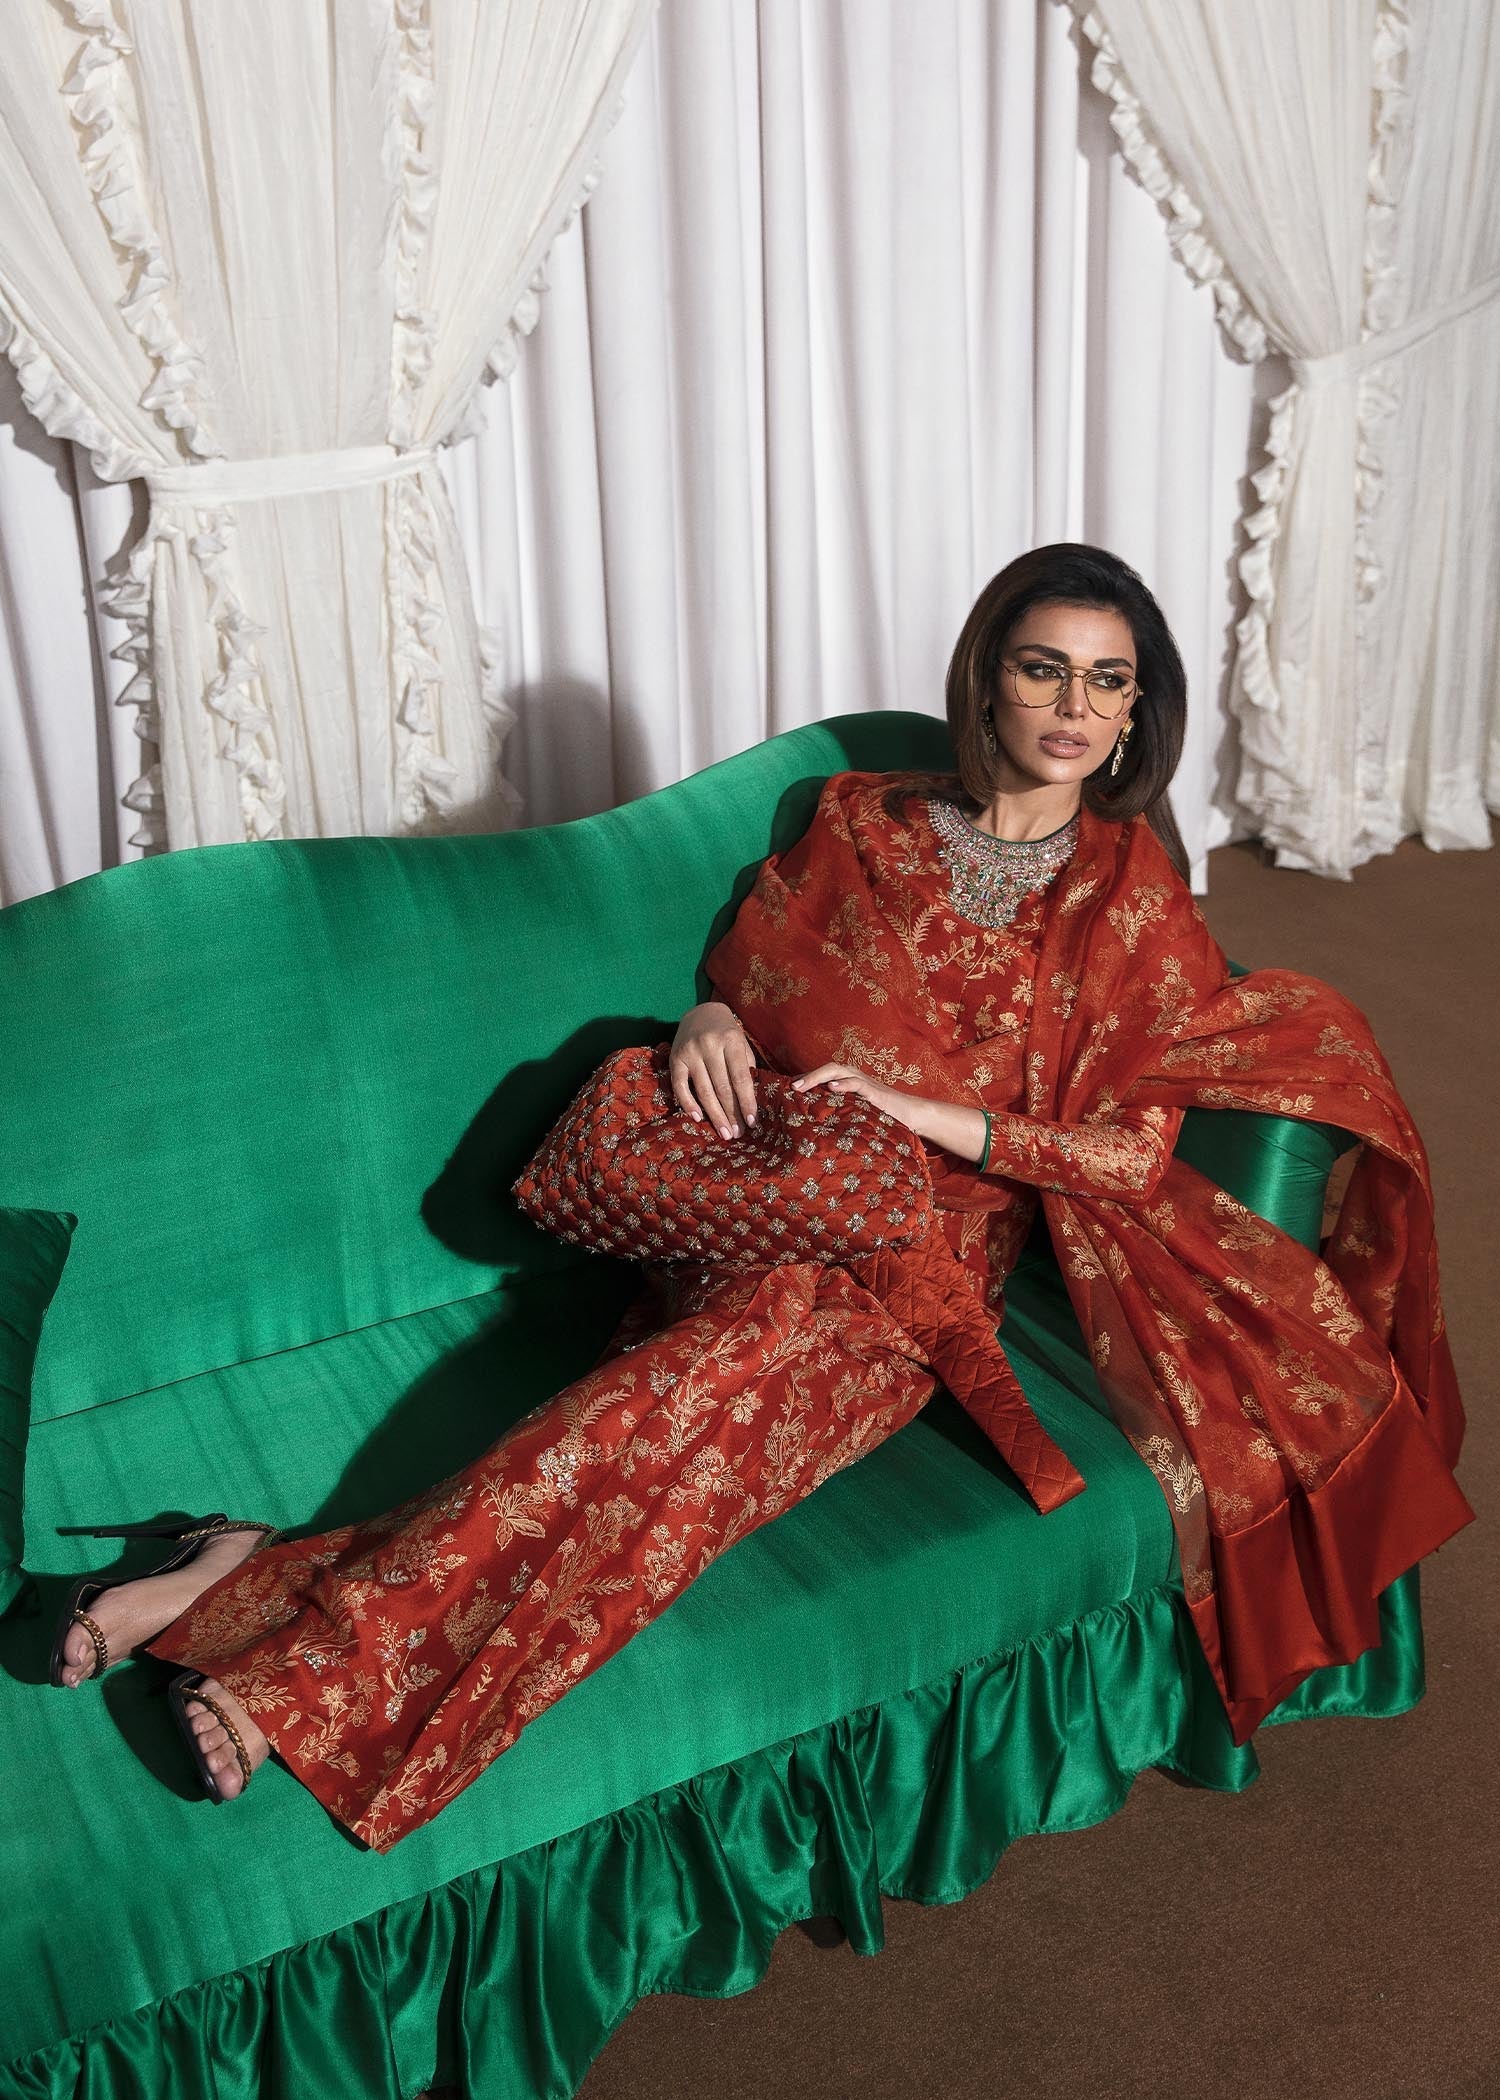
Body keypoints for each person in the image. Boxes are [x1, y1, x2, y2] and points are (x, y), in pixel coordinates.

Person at [51, 544, 1472, 1850]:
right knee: (678, 1415)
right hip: (757, 1198)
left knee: (661, 1448)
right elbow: (759, 980)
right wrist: (706, 1024)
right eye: (1046, 667)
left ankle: (267, 1628)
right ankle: (253, 1611)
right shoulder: (864, 820)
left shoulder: (1130, 897)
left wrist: (927, 1114)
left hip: (908, 1277)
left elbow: (1128, 1154)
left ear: (1136, 710)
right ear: (989, 675)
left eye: (1110, 681)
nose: (1074, 706)